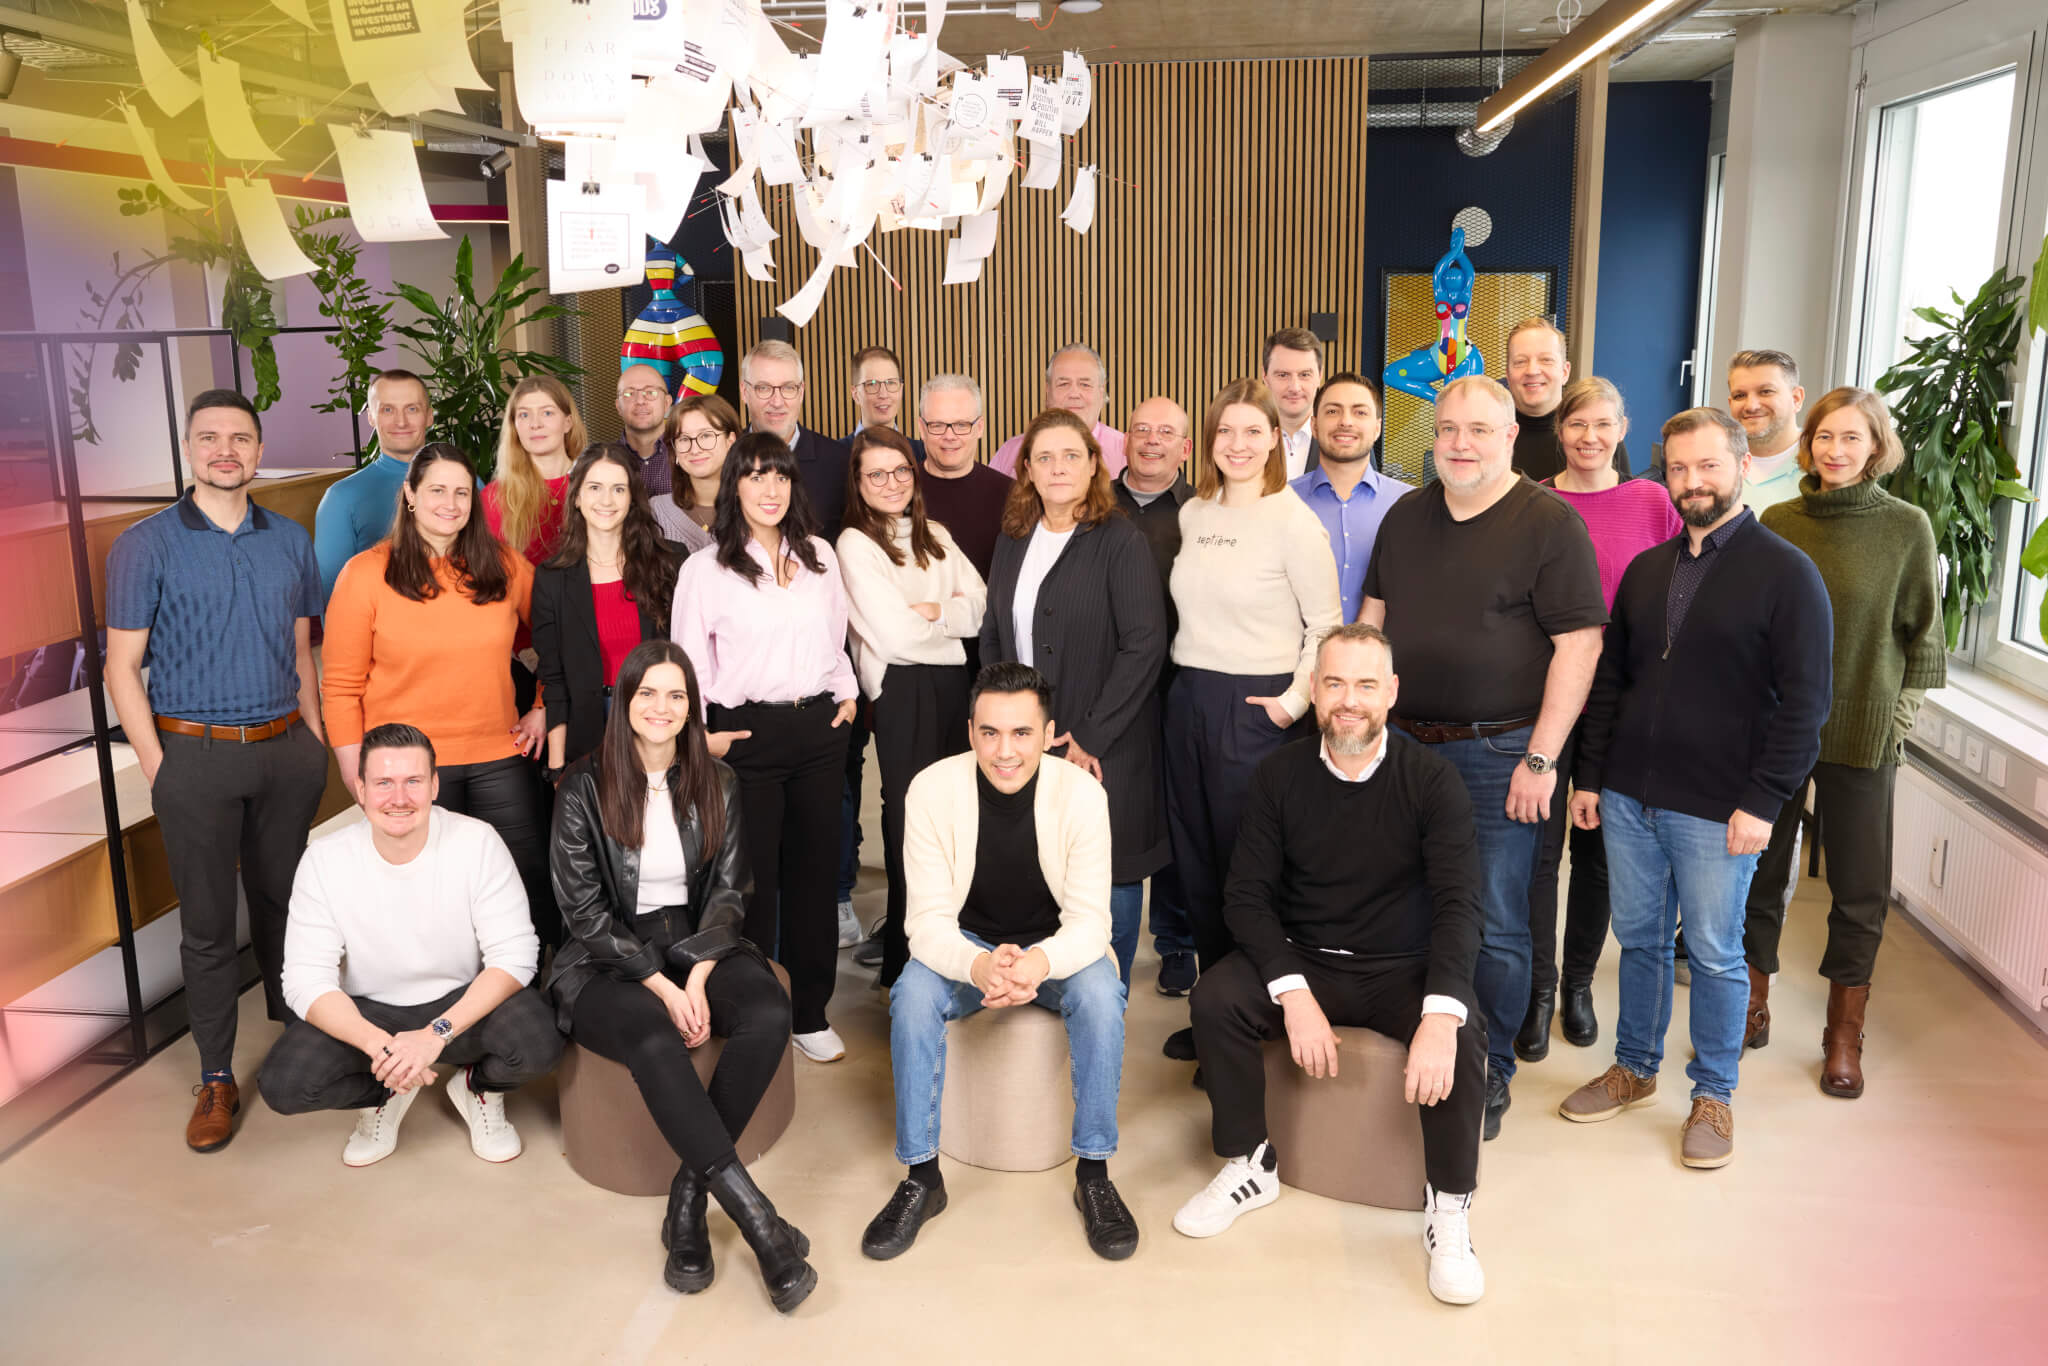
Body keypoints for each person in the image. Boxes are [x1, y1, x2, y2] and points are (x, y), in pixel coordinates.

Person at [1174, 625, 1488, 1305]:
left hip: (1399, 964)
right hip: (1307, 957)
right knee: (1214, 999)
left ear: (1391, 693)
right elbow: (1246, 897)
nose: (1350, 700)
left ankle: (1449, 1209)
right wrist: (1293, 994)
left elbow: (1461, 904)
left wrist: (1439, 1017)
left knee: (1462, 1035)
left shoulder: (1433, 782)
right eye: (1336, 683)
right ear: (1314, 691)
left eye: (1366, 685)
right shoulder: (1279, 776)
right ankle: (1252, 1163)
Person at [1561, 407, 1833, 1169]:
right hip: (1630, 796)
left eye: (1709, 465)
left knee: (1713, 954)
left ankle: (1713, 1094)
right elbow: (1611, 682)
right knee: (1640, 942)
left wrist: (1764, 802)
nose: (1693, 482)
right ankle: (1634, 1068)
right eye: (1679, 469)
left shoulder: (1787, 573)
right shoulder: (1649, 569)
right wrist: (1592, 778)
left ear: (1743, 467)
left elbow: (1807, 704)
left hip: (1721, 807)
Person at [1359, 375, 1606, 1140]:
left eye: (1477, 430)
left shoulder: (1550, 523)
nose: (1459, 444)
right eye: (1447, 429)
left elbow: (1580, 645)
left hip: (1502, 753)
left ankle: (1489, 1066)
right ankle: (1421, 1042)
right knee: (1407, 904)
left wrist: (1542, 760)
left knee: (1497, 919)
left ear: (1510, 437)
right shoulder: (1405, 515)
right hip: (1403, 747)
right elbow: (1372, 621)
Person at [549, 640, 814, 1311]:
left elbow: (731, 889)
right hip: (605, 953)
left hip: (696, 937)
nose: (661, 707)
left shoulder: (717, 781)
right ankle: (761, 1224)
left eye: (676, 695)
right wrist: (659, 985)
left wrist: (696, 974)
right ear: (624, 702)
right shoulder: (582, 786)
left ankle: (689, 1200)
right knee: (653, 1036)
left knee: (768, 1013)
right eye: (647, 693)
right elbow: (584, 911)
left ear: (692, 706)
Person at [105, 389, 332, 1152]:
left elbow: (300, 650)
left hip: (284, 749)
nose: (225, 450)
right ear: (189, 449)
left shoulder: (290, 540)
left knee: (284, 905)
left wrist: (314, 741)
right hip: (193, 755)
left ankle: (301, 1040)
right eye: (209, 438)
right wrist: (160, 767)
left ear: (259, 451)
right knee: (206, 925)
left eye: (239, 438)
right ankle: (215, 1078)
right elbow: (121, 667)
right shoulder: (145, 545)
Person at [858, 663, 1139, 1263]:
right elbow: (925, 922)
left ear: (1049, 733)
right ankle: (921, 1177)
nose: (1004, 751)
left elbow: (1092, 923)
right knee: (911, 996)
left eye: (1021, 733)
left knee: (1100, 995)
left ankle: (1094, 1173)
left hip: (1055, 948)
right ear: (970, 731)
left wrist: (1037, 962)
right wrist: (978, 965)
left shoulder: (1083, 794)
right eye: (989, 733)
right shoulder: (931, 790)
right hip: (966, 945)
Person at [1745, 388, 1943, 1098]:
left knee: (1859, 889)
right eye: (1825, 436)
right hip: (1775, 731)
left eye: (1852, 438)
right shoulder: (1779, 521)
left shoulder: (1906, 527)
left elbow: (1923, 640)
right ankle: (1750, 1002)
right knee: (1758, 872)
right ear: (1808, 443)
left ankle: (1841, 1035)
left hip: (1863, 731)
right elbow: (1753, 630)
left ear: (1876, 447)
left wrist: (1896, 723)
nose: (1835, 450)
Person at [259, 724, 561, 1166]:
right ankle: (387, 1090)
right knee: (284, 1085)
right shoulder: (324, 859)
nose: (398, 798)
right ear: (361, 789)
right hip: (368, 1011)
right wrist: (382, 1049)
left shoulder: (476, 841)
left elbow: (515, 956)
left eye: (413, 781)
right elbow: (305, 980)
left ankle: (478, 1087)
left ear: (434, 785)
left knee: (541, 1041)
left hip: (460, 1006)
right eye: (383, 782)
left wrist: (435, 1035)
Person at [1163, 378, 1342, 1064]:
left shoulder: (1293, 520)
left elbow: (1325, 626)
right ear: (1208, 441)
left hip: (1258, 708)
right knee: (1197, 864)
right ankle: (1218, 1011)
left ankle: (1260, 1020)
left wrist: (1292, 704)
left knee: (1250, 872)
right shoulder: (1194, 512)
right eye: (1224, 431)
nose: (1236, 444)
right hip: (1190, 698)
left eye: (1251, 431)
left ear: (1275, 438)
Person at [322, 443, 557, 947]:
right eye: (436, 491)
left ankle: (524, 991)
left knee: (524, 890)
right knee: (429, 902)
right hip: (407, 767)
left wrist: (542, 707)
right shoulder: (365, 574)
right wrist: (356, 772)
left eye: (461, 493)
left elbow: (559, 636)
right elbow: (340, 687)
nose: (450, 503)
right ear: (410, 494)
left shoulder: (504, 566)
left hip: (499, 755)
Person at [671, 433, 858, 1062]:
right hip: (744, 736)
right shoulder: (706, 570)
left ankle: (810, 1013)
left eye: (780, 476)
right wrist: (700, 738)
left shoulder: (820, 557)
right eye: (755, 476)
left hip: (818, 730)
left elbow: (835, 640)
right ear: (734, 487)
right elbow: (689, 664)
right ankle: (754, 1011)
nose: (770, 489)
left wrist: (846, 693)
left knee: (815, 876)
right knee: (750, 884)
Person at [1516, 377, 1682, 1061]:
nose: (1590, 437)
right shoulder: (1533, 502)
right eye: (1577, 424)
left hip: (1624, 705)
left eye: (1603, 424)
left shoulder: (1654, 502)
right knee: (1537, 855)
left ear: (1623, 429)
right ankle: (1538, 990)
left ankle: (1579, 983)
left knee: (1599, 857)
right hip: (1548, 702)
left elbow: (1682, 588)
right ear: (1559, 432)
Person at [980, 409, 1169, 987]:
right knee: (1044, 865)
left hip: (1105, 742)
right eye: (1044, 457)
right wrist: (1007, 724)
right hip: (1028, 742)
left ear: (1094, 465)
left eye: (1071, 455)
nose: (1057, 467)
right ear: (1027, 470)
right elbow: (995, 632)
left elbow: (1144, 644)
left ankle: (1107, 1001)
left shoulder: (1121, 540)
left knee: (1107, 873)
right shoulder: (1014, 539)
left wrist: (1089, 735)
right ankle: (1049, 991)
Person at [839, 427, 987, 986]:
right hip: (902, 692)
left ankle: (955, 952)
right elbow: (895, 637)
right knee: (913, 824)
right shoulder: (855, 544)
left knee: (955, 820)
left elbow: (984, 606)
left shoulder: (936, 534)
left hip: (954, 688)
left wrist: (937, 613)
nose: (891, 482)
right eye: (876, 473)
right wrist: (947, 621)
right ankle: (906, 964)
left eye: (901, 470)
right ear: (858, 482)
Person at [1114, 397, 1198, 999]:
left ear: (1185, 448)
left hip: (1177, 683)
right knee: (1110, 815)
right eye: (1140, 429)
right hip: (1108, 687)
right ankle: (1094, 939)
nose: (1151, 440)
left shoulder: (1203, 511)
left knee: (1176, 813)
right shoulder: (1093, 504)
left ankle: (1175, 940)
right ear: (1124, 440)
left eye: (1165, 432)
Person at [532, 447, 683, 777]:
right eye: (594, 487)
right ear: (577, 497)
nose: (606, 500)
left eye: (618, 489)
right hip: (587, 732)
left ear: (632, 498)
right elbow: (554, 680)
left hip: (660, 724)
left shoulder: (670, 563)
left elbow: (689, 661)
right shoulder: (551, 578)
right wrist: (557, 769)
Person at [1289, 373, 1412, 623]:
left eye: (1360, 412)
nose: (1345, 421)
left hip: (1385, 648)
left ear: (1377, 428)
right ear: (1314, 426)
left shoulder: (1409, 504)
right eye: (1333, 411)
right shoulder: (1281, 501)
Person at [314, 369, 434, 607]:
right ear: (371, 416)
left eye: (412, 409)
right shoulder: (342, 497)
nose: (401, 421)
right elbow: (333, 598)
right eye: (388, 410)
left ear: (429, 416)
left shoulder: (467, 483)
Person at [740, 339, 852, 541]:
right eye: (764, 388)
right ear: (744, 392)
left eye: (788, 388)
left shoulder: (840, 461)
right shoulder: (723, 457)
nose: (777, 401)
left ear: (801, 392)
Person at [1503, 318, 1631, 483]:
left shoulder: (1598, 436)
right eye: (1520, 362)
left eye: (1546, 360)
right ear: (1508, 374)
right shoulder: (1491, 434)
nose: (1532, 370)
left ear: (1565, 372)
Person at [914, 374, 1014, 582]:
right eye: (937, 425)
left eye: (961, 425)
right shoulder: (896, 493)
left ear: (980, 428)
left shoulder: (1012, 495)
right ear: (922, 429)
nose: (950, 436)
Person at [484, 375, 586, 566]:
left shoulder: (596, 484)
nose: (535, 424)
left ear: (568, 422)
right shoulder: (493, 498)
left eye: (547, 413)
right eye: (524, 415)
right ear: (514, 426)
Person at [990, 345, 1127, 478]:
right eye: (1063, 384)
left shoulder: (1126, 453)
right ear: (1048, 391)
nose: (1074, 394)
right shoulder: (1010, 453)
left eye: (1085, 384)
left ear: (1101, 392)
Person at [648, 392, 738, 555]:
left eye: (705, 436)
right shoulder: (656, 512)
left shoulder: (757, 506)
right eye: (683, 439)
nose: (695, 449)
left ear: (730, 441)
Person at [1727, 349, 1808, 513]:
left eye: (1766, 392)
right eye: (1740, 395)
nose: (1751, 406)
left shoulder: (1826, 464)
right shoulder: (1714, 464)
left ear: (1796, 399)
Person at [596, 363, 676, 497]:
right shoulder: (601, 462)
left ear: (666, 403)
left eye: (650, 392)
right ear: (618, 407)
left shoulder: (689, 456)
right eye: (629, 394)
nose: (640, 401)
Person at [1261, 327, 1325, 479]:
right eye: (1283, 375)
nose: (1295, 388)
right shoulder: (1244, 439)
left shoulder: (1345, 438)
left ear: (1320, 375)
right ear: (1265, 377)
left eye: (1304, 375)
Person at [846, 344, 924, 459]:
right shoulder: (835, 455)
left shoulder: (923, 454)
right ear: (856, 394)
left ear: (901, 389)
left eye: (891, 383)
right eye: (872, 384)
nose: (883, 394)